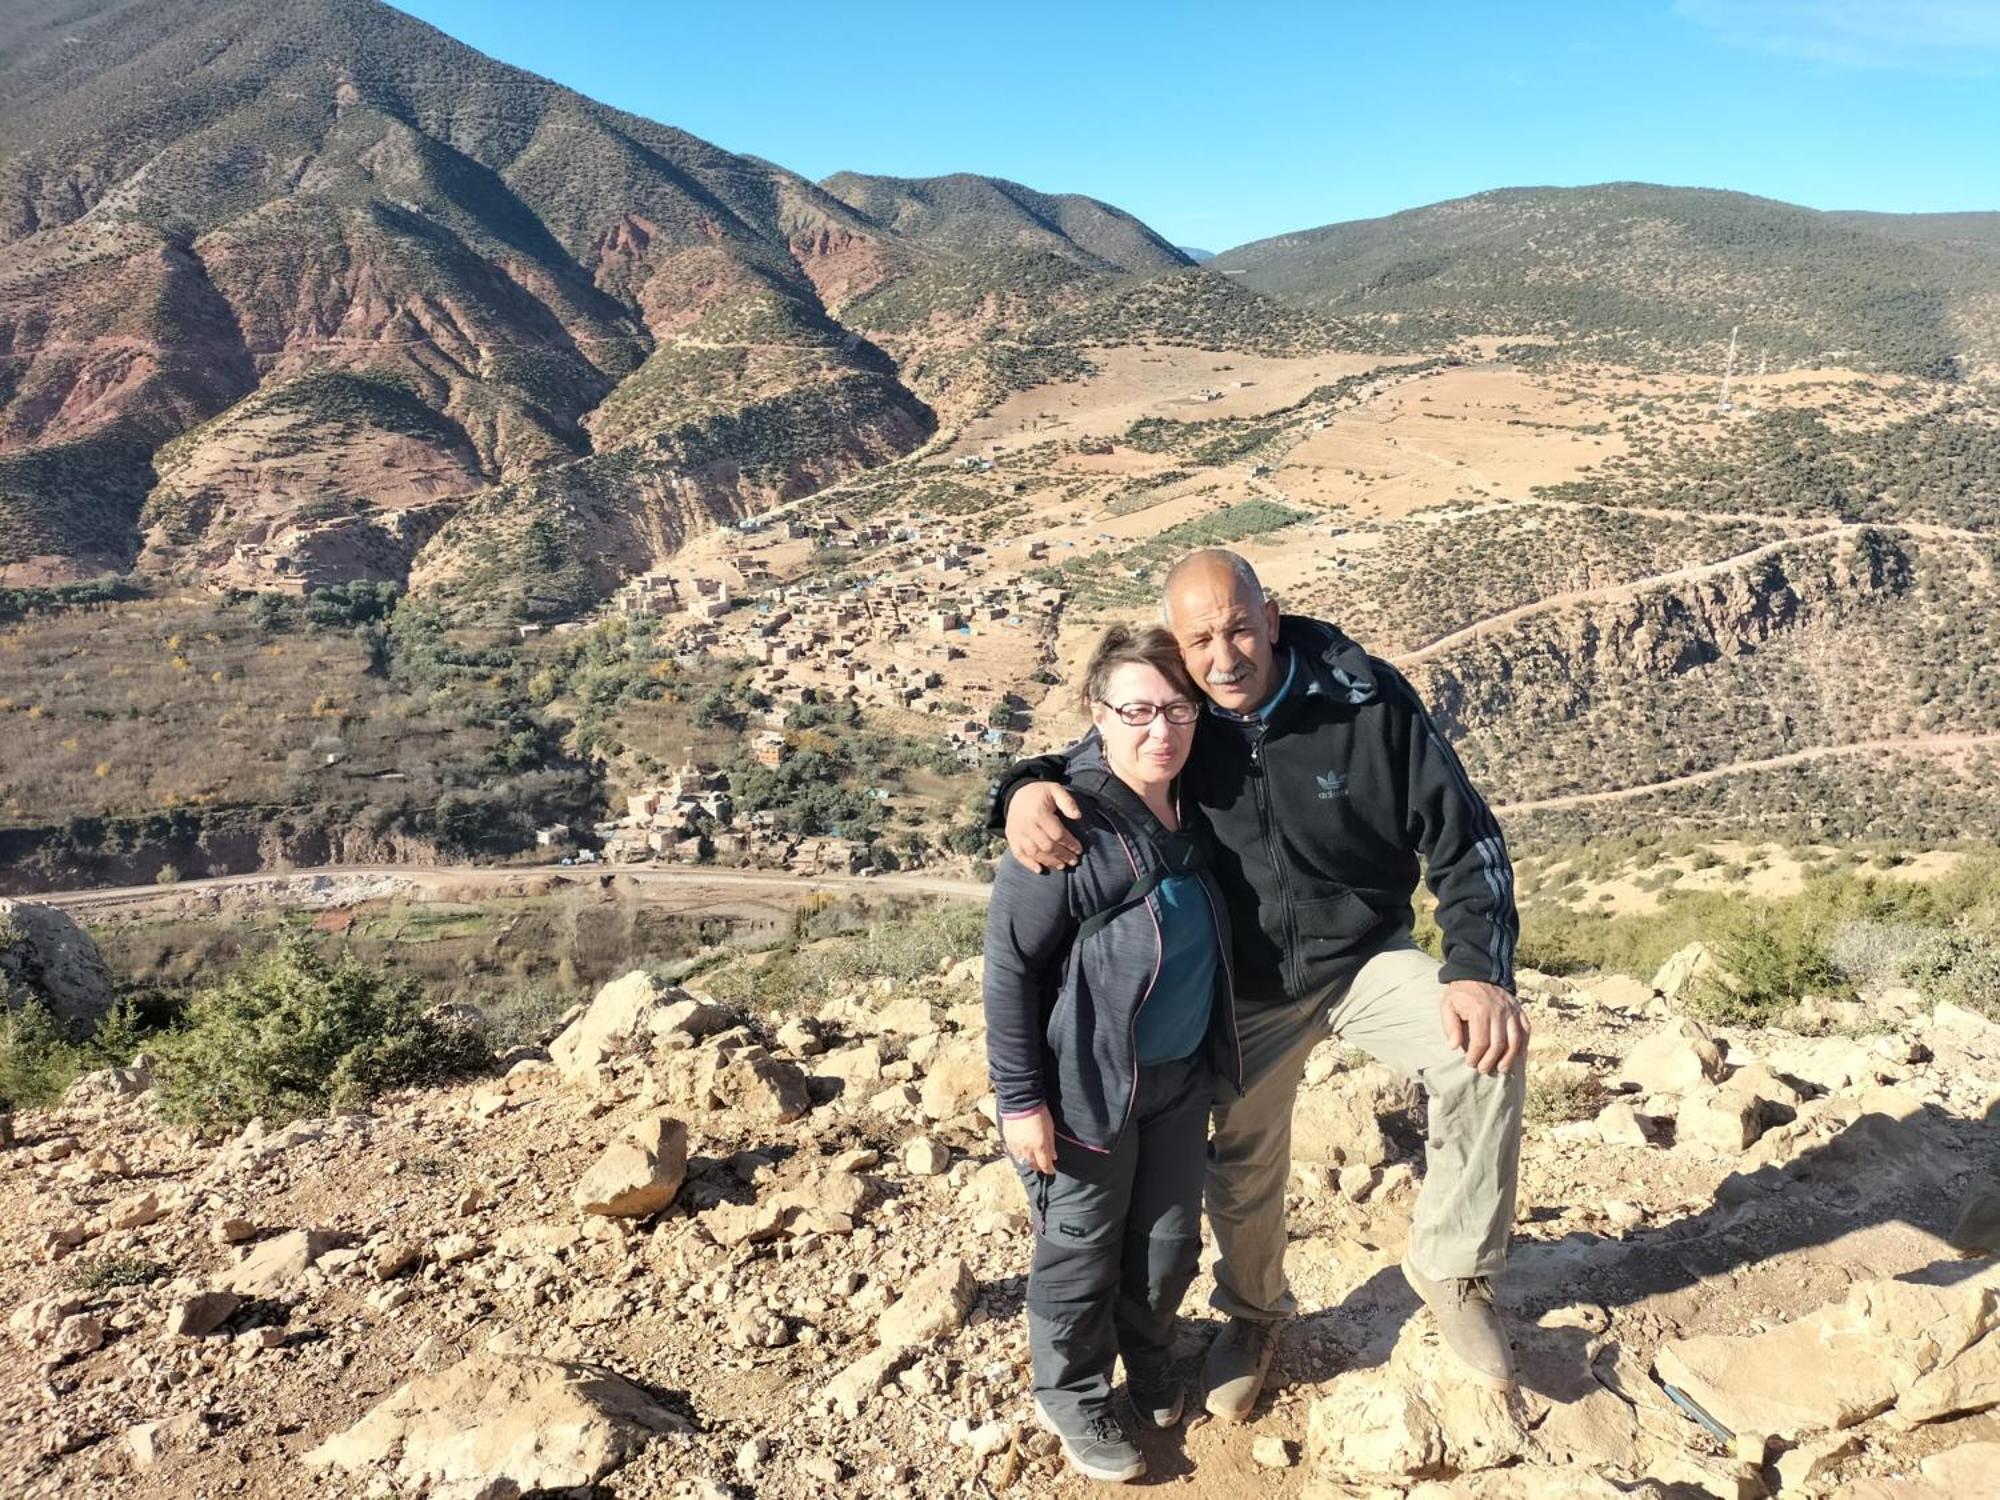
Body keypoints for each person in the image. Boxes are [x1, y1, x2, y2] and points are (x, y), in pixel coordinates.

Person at [997, 547, 1528, 1420]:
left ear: (1272, 617)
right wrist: (1023, 787)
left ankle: (1454, 1271)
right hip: (1246, 991)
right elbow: (1090, 756)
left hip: (1363, 957)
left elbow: (1466, 840)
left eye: (1240, 627)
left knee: (1483, 1053)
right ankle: (1251, 1317)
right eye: (1200, 638)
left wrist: (1478, 971)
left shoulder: (1364, 698)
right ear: (1180, 642)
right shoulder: (1182, 715)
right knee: (1245, 1166)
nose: (1224, 655)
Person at [984, 623, 1242, 1484]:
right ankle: (1073, 1394)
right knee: (1081, 1249)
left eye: (1177, 707)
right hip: (1086, 1087)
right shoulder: (1065, 828)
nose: (1158, 729)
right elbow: (1011, 968)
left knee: (1167, 1242)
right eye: (1135, 710)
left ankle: (1152, 1355)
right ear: (1098, 717)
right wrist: (1021, 1101)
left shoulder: (1197, 797)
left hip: (1174, 1079)